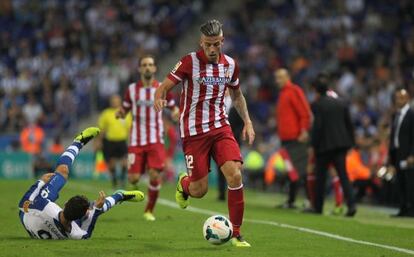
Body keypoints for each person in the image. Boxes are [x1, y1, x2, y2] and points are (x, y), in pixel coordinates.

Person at [154, 20, 255, 247]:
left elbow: (237, 96)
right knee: (199, 191)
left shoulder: (230, 65)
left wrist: (247, 121)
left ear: (222, 42)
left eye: (216, 44)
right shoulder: (189, 62)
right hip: (193, 132)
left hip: (220, 127)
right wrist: (159, 97)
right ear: (201, 42)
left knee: (235, 175)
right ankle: (185, 184)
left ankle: (237, 233)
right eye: (208, 44)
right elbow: (164, 86)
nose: (211, 49)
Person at [18, 127, 144, 239]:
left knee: (62, 171)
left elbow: (22, 205)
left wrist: (40, 182)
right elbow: (88, 225)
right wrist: (95, 208)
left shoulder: (47, 207)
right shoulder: (76, 233)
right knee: (95, 208)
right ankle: (119, 196)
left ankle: (79, 141)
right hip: (45, 218)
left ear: (65, 204)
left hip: (29, 215)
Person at [116, 55, 178, 221]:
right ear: (139, 69)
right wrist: (120, 112)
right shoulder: (131, 90)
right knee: (133, 178)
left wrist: (175, 112)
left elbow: (173, 106)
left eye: (150, 65)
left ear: (155, 68)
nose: (148, 68)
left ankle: (149, 210)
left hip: (155, 139)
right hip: (136, 140)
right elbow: (126, 107)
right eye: (144, 65)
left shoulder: (162, 88)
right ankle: (136, 176)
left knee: (155, 175)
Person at [310, 74, 356, 217]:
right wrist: (350, 143)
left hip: (324, 147)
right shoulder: (341, 102)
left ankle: (318, 207)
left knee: (320, 177)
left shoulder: (318, 105)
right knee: (343, 176)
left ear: (316, 90)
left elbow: (318, 127)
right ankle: (352, 205)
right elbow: (349, 124)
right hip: (341, 145)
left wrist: (313, 146)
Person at [274, 68, 312, 208]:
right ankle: (291, 201)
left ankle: (310, 200)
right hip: (286, 139)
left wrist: (304, 131)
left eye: (280, 77)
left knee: (300, 170)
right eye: (276, 77)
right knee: (292, 172)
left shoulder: (294, 91)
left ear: (287, 77)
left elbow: (305, 113)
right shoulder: (283, 93)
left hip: (296, 138)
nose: (277, 80)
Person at [388, 87, 414, 217]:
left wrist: (412, 154)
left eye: (401, 98)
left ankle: (410, 209)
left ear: (407, 98)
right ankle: (403, 208)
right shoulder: (396, 115)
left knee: (409, 182)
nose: (399, 100)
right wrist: (391, 158)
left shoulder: (411, 114)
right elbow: (393, 136)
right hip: (398, 153)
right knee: (400, 182)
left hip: (407, 154)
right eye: (397, 98)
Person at [98, 94, 131, 188]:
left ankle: (122, 179)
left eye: (116, 100)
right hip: (110, 141)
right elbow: (102, 129)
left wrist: (131, 141)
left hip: (122, 141)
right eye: (113, 100)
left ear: (120, 101)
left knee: (125, 161)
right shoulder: (106, 113)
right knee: (111, 163)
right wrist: (99, 141)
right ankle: (114, 180)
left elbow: (129, 128)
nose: (115, 102)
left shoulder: (125, 113)